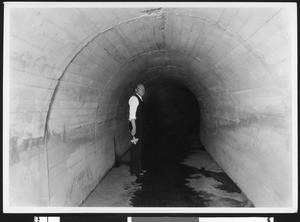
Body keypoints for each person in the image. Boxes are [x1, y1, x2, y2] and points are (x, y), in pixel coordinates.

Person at [128, 84, 147, 177]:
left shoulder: (140, 99)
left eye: (143, 89)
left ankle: (138, 168)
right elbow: (132, 115)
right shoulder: (134, 99)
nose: (142, 91)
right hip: (136, 127)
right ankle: (136, 170)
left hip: (140, 126)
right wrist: (134, 128)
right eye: (140, 89)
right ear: (136, 90)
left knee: (139, 148)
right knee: (136, 149)